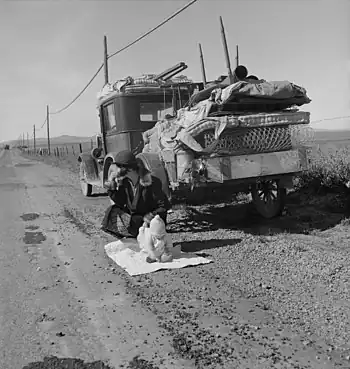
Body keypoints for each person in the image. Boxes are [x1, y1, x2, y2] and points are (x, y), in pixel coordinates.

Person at [101, 150, 171, 238]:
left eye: (118, 166)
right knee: (112, 210)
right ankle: (132, 236)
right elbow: (120, 202)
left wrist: (148, 218)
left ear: (128, 168)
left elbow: (164, 206)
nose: (115, 170)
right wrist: (111, 184)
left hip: (151, 221)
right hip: (136, 220)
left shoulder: (151, 182)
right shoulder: (126, 182)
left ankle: (144, 236)